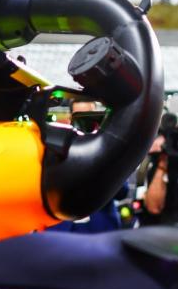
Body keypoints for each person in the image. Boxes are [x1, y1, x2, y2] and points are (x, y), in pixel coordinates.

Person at [46, 99, 125, 233]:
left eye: (89, 115)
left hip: (100, 227)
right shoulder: (56, 145)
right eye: (79, 116)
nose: (84, 121)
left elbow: (122, 192)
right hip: (63, 229)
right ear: (71, 117)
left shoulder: (111, 148)